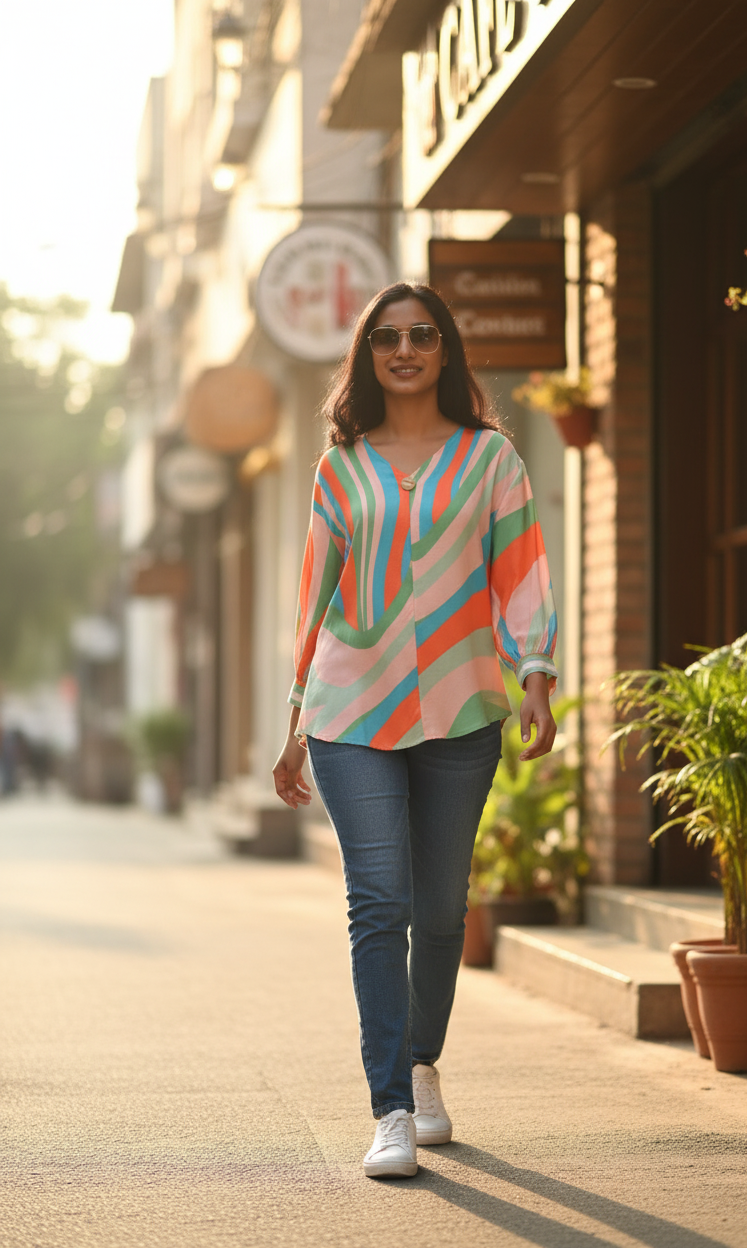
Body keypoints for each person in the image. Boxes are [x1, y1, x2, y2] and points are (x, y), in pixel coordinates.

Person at [273, 282, 558, 1179]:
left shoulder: (491, 459)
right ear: (368, 354)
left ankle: (424, 1065)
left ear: (444, 351)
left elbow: (519, 574)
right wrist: (293, 721)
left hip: (464, 707)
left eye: (421, 335)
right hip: (351, 707)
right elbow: (315, 594)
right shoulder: (340, 467)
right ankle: (390, 1106)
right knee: (380, 903)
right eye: (387, 337)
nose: (404, 349)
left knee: (440, 910)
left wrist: (537, 674)